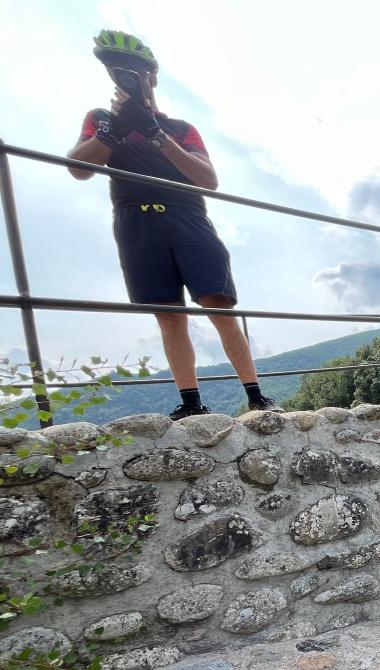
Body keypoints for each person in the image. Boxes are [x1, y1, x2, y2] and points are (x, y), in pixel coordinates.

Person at [67, 29, 280, 420]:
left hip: (188, 217)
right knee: (167, 314)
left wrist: (156, 134)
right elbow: (79, 169)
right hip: (136, 221)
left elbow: (208, 179)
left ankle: (256, 395)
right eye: (120, 73)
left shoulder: (181, 128)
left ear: (152, 78)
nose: (129, 80)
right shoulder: (100, 120)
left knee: (219, 304)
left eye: (137, 74)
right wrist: (113, 129)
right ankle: (192, 401)